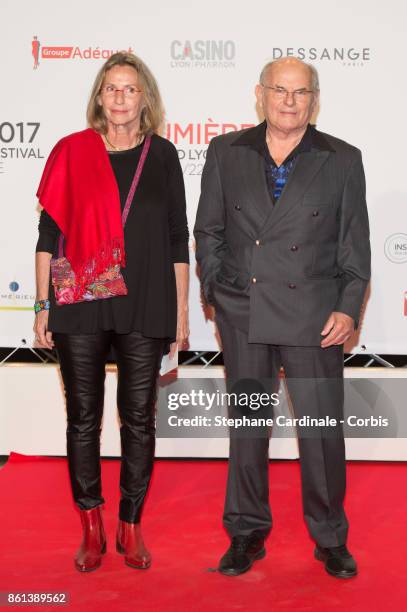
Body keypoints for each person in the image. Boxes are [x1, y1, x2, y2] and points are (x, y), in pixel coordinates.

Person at [194, 57, 370, 578]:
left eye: (301, 93)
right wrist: (217, 291)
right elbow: (209, 231)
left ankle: (330, 537)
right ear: (260, 94)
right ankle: (246, 531)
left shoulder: (341, 158)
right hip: (244, 312)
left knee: (320, 430)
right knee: (248, 427)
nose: (289, 101)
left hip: (315, 317)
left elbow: (354, 245)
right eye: (280, 90)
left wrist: (347, 307)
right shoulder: (227, 152)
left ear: (314, 100)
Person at [34, 52, 189, 572]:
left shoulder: (163, 156)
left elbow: (176, 239)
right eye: (111, 88)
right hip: (78, 302)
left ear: (144, 97)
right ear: (99, 96)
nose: (120, 97)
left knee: (139, 419)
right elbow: (48, 235)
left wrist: (183, 311)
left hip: (146, 302)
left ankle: (131, 524)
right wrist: (41, 305)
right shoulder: (71, 152)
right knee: (83, 419)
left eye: (130, 88)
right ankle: (91, 525)